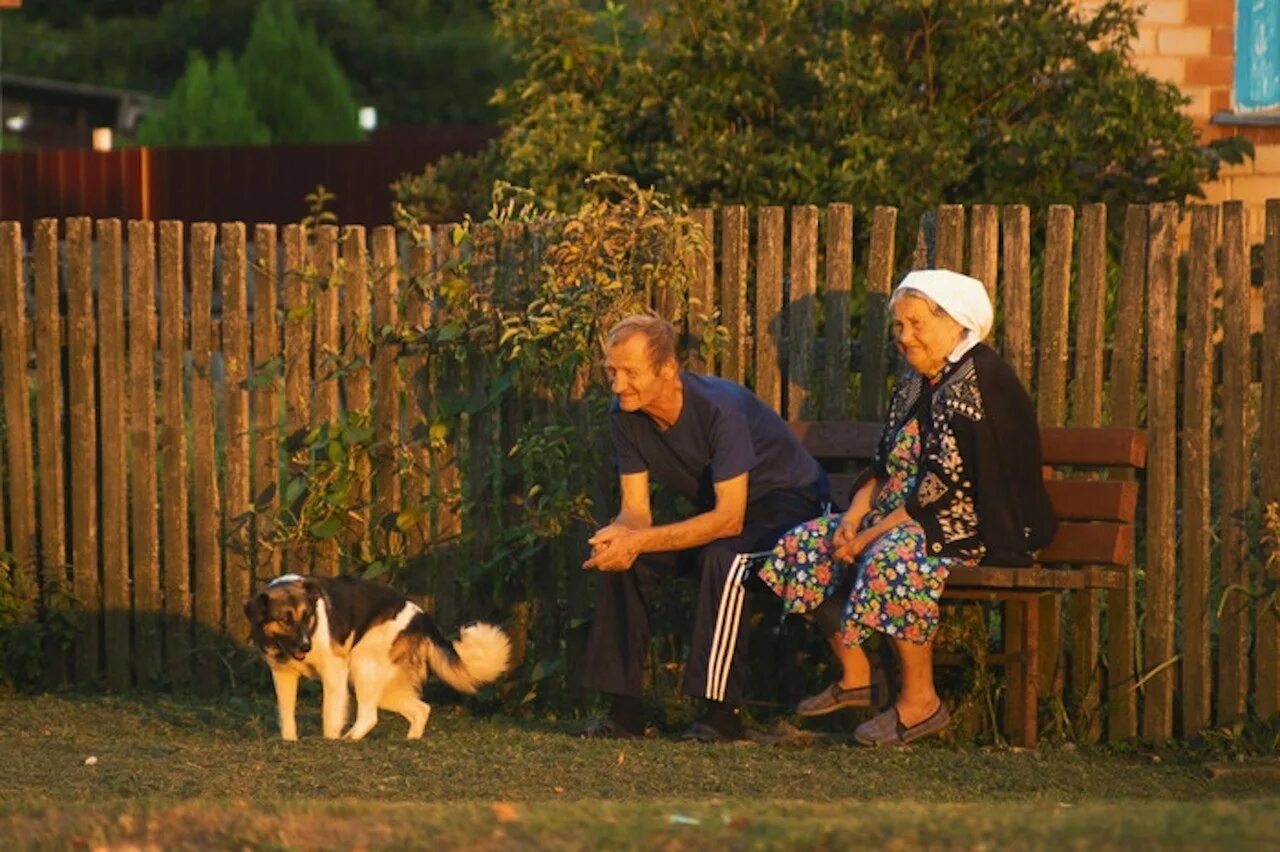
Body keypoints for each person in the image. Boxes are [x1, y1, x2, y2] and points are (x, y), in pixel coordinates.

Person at [758, 269, 1057, 746]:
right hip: (899, 518)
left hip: (974, 523)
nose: (904, 336)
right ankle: (855, 676)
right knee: (804, 545)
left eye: (915, 324)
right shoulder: (917, 384)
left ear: (955, 322)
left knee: (895, 555)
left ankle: (921, 703)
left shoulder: (980, 380)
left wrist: (866, 538)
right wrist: (852, 520)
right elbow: (881, 467)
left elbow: (940, 491)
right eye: (899, 326)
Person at [581, 312, 829, 742]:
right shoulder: (625, 415)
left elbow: (729, 518)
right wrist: (619, 539)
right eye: (612, 371)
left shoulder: (720, 408)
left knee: (724, 559)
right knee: (624, 561)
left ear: (667, 369)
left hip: (790, 512)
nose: (619, 385)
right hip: (727, 514)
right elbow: (636, 511)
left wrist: (638, 538)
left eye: (630, 373)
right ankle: (624, 712)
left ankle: (720, 716)